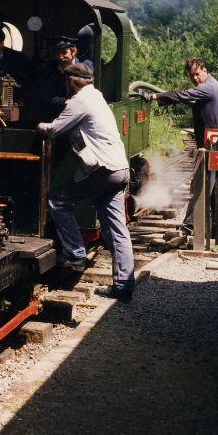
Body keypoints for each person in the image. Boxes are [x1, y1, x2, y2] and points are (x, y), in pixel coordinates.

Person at [36, 63, 135, 302]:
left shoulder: (80, 101)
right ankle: (124, 285)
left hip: (104, 171)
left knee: (58, 201)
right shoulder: (96, 96)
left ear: (72, 81)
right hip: (120, 168)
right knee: (117, 230)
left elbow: (53, 130)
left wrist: (37, 125)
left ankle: (76, 253)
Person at [134, 57, 218, 235]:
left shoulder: (209, 87)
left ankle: (192, 224)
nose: (194, 79)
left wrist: (155, 96)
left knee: (204, 182)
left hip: (216, 142)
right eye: (191, 76)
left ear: (204, 69)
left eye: (197, 74)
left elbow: (182, 95)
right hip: (217, 141)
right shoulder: (209, 86)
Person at [26, 36, 78, 124]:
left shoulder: (83, 68)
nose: (60, 57)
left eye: (64, 52)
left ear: (73, 52)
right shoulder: (49, 70)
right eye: (57, 53)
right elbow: (46, 96)